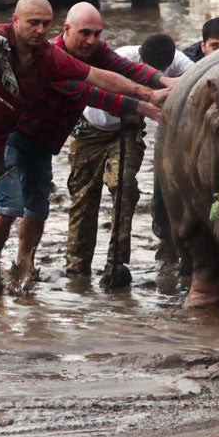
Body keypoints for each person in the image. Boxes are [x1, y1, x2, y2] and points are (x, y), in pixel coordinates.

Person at [0, 0, 164, 300]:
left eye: (44, 24)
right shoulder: (0, 37)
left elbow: (100, 76)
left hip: (3, 144)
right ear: (16, 21)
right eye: (33, 23)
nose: (39, 30)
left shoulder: (50, 58)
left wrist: (150, 93)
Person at [65, 33, 193, 288]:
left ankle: (116, 263)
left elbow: (197, 80)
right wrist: (144, 99)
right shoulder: (121, 58)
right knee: (84, 198)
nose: (155, 75)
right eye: (150, 69)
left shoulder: (179, 61)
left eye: (161, 71)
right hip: (90, 130)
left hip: (127, 132)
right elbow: (104, 98)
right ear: (140, 56)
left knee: (124, 187)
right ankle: (77, 270)